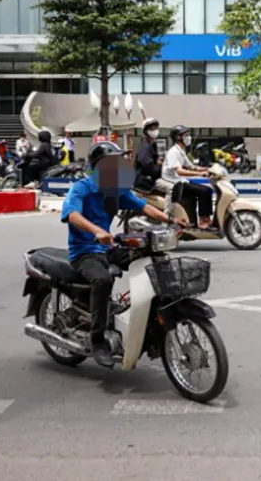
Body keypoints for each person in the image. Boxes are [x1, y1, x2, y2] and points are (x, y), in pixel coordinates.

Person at [61, 142, 186, 368]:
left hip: (108, 249)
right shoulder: (82, 188)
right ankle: (97, 339)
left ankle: (149, 315)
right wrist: (96, 230)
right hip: (84, 252)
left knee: (149, 257)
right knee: (103, 280)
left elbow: (143, 206)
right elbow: (71, 214)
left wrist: (170, 220)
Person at [160, 125, 216, 230]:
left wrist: (208, 169)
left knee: (203, 192)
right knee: (205, 191)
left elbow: (192, 167)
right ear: (178, 137)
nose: (188, 137)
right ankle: (204, 220)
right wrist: (200, 174)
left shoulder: (181, 151)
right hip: (175, 183)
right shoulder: (173, 152)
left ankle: (193, 222)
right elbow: (180, 171)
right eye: (185, 135)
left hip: (181, 181)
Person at [134, 117, 163, 190]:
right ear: (146, 131)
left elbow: (154, 160)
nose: (155, 130)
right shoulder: (145, 146)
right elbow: (146, 165)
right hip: (144, 180)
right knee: (171, 188)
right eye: (152, 129)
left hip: (150, 178)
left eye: (156, 128)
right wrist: (162, 169)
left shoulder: (152, 145)